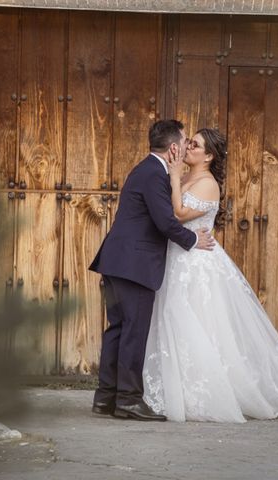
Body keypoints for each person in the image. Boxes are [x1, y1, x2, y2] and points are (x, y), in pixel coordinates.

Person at [142, 128, 278, 422]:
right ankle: (177, 389)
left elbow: (180, 215)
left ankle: (210, 391)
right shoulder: (186, 177)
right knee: (174, 321)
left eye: (194, 146)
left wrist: (172, 176)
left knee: (199, 323)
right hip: (177, 259)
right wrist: (175, 177)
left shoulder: (207, 183)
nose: (188, 149)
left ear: (208, 156)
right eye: (189, 144)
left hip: (197, 264)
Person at [89, 120, 215, 422]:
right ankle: (129, 401)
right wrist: (194, 239)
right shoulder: (154, 174)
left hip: (118, 262)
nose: (186, 146)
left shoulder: (146, 169)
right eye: (185, 142)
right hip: (134, 265)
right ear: (173, 148)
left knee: (118, 330)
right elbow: (166, 221)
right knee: (133, 331)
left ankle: (106, 398)